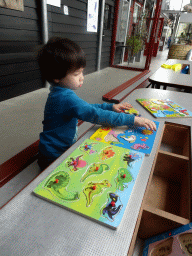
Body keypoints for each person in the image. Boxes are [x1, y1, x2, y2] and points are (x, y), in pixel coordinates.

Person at [37, 37, 156, 171]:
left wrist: (110, 106)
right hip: (53, 157)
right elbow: (96, 115)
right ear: (56, 77)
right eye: (76, 74)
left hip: (53, 149)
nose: (82, 77)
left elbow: (86, 108)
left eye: (82, 72)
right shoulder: (65, 98)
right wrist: (133, 120)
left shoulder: (59, 92)